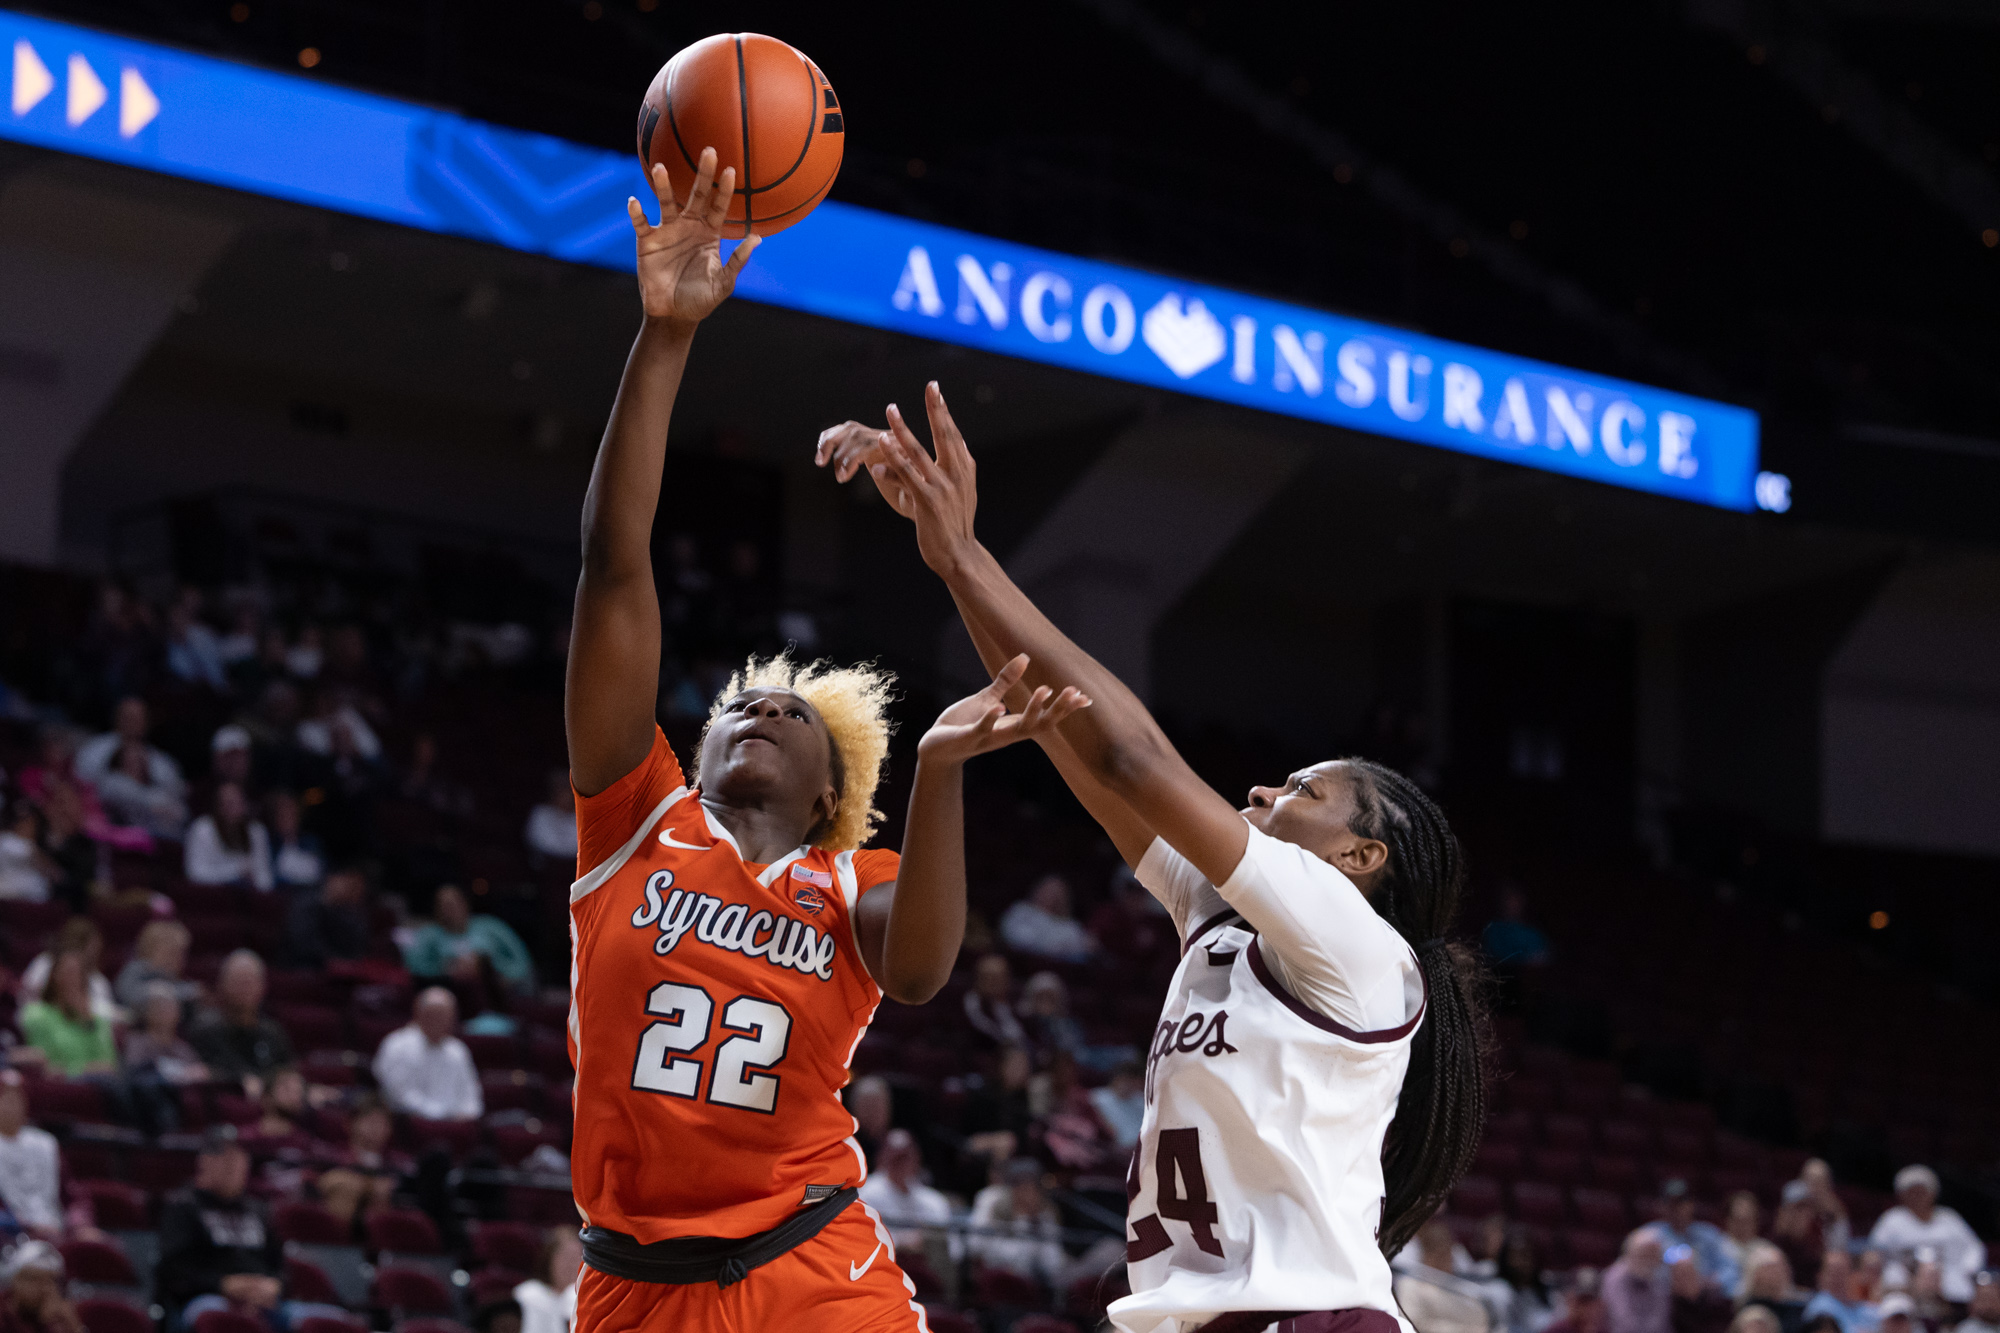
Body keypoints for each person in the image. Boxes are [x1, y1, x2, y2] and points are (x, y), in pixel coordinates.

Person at [819, 379, 1489, 1331]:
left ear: (1360, 856)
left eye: (1304, 790)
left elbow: (1134, 757)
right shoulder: (1222, 914)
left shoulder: (1358, 944)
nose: (1263, 791)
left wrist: (969, 557)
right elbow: (1078, 742)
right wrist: (948, 565)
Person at [560, 152, 1085, 1333]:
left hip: (813, 1268)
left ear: (831, 794)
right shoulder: (632, 818)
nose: (760, 708)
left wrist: (942, 770)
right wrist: (665, 336)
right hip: (631, 1286)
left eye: (792, 713)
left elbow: (917, 974)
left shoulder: (851, 878)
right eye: (741, 705)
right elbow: (615, 566)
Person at [157, 1126, 345, 1332]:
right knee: (215, 1315)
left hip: (264, 1301)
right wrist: (224, 1285)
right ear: (204, 1162)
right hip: (206, 1298)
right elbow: (174, 1269)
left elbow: (279, 1264)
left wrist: (273, 1286)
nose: (236, 1164)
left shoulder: (257, 1209)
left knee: (333, 1319)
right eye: (226, 1157)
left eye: (240, 1157)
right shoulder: (183, 1206)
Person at [1869, 1166, 1986, 1304]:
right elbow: (1874, 1252)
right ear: (1902, 1195)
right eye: (1912, 1192)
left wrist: (1967, 1269)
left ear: (1933, 1193)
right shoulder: (1892, 1219)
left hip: (1948, 1272)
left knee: (1965, 1290)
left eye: (1921, 1192)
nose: (1917, 1197)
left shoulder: (1949, 1218)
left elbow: (1974, 1247)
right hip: (1905, 1276)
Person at [186, 951, 295, 1092]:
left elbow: (287, 1073)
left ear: (263, 987)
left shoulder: (272, 1033)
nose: (244, 988)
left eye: (250, 981)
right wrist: (240, 1081)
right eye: (238, 981)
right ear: (221, 985)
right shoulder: (205, 1030)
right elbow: (204, 1072)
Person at [400, 884, 535, 993]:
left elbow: (521, 959)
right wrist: (444, 971)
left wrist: (498, 973)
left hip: (497, 989)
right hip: (449, 991)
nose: (449, 910)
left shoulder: (491, 926)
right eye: (444, 906)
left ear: (465, 903)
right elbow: (413, 968)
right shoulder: (429, 934)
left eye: (453, 904)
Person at [371, 988, 481, 1121]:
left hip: (455, 1123)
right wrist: (441, 1116)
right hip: (412, 1122)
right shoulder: (397, 1045)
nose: (441, 1021)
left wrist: (468, 1113)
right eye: (435, 1015)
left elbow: (470, 1093)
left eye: (447, 1016)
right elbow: (398, 1094)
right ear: (419, 1013)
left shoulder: (458, 1050)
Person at [966, 1159, 1065, 1292]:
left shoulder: (1046, 1213)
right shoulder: (995, 1205)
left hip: (1039, 1283)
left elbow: (1053, 1264)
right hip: (1000, 1280)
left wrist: (1034, 1223)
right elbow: (977, 1248)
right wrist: (1022, 1225)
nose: (1028, 1193)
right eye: (1021, 1185)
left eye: (1032, 1186)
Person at [857, 1129, 956, 1260]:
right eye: (896, 1159)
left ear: (917, 1159)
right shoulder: (866, 1192)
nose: (901, 1164)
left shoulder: (932, 1200)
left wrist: (924, 1242)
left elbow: (953, 1248)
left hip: (927, 1266)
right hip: (882, 1264)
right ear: (882, 1158)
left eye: (906, 1158)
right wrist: (902, 1242)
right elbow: (860, 1238)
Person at [313, 1095, 408, 1230]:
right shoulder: (333, 1156)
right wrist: (367, 1185)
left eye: (382, 1122)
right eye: (370, 1121)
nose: (375, 1127)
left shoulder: (399, 1163)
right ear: (351, 1123)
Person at [17, 952, 118, 1077]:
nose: (73, 980)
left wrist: (87, 1021)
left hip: (97, 1087)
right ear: (54, 976)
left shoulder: (93, 1019)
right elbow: (46, 1067)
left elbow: (108, 1065)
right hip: (60, 1088)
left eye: (79, 974)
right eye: (69, 972)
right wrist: (83, 1070)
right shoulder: (37, 1014)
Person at [1395, 1219, 1494, 1333]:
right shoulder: (1410, 1285)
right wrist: (1464, 1330)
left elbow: (1479, 1316)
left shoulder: (1458, 1287)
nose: (1448, 1262)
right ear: (1428, 1255)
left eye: (1449, 1256)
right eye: (1441, 1256)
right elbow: (1415, 1323)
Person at [75, 696, 184, 800]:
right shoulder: (95, 749)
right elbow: (82, 780)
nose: (132, 722)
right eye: (128, 716)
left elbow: (174, 789)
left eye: (138, 718)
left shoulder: (161, 762)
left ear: (147, 722)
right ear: (117, 718)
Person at [16, 920, 117, 1024]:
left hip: (80, 1028)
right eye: (90, 946)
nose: (95, 952)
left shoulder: (98, 981)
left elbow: (106, 1016)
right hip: (43, 1023)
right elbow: (24, 999)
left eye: (97, 946)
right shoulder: (44, 963)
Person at [0, 1073, 62, 1239]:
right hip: (10, 1235)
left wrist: (81, 1225)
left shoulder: (45, 1143)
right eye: (5, 1099)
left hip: (56, 1228)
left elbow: (71, 1195)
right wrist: (25, 1226)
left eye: (17, 1099)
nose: (11, 1106)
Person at [94, 731, 190, 839]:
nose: (136, 764)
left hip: (169, 838)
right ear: (120, 762)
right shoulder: (113, 782)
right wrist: (161, 806)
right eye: (131, 759)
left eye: (139, 760)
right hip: (131, 840)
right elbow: (137, 799)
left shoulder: (153, 787)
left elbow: (182, 813)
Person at [1654, 1179, 1741, 1293]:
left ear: (1691, 1204)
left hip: (1705, 1297)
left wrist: (1711, 1282)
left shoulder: (1709, 1235)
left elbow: (1731, 1268)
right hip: (1665, 1298)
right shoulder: (1650, 1237)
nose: (1676, 1209)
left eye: (1681, 1202)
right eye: (1671, 1203)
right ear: (1662, 1206)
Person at [183, 783, 274, 891]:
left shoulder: (257, 831)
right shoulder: (202, 828)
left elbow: (266, 878)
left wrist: (255, 881)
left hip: (246, 897)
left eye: (237, 803)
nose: (232, 809)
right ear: (217, 806)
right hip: (210, 895)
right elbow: (195, 873)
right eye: (227, 804)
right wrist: (237, 871)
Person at [284, 865, 370, 968]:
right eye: (348, 882)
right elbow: (303, 945)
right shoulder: (306, 904)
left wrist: (352, 909)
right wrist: (334, 960)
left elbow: (357, 947)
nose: (352, 888)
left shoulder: (351, 911)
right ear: (331, 879)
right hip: (303, 966)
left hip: (340, 967)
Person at [999, 873, 1099, 961]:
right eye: (1049, 890)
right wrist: (1060, 947)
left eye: (1058, 892)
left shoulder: (1070, 925)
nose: (1053, 896)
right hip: (1025, 964)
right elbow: (1020, 940)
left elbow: (1084, 947)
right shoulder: (1020, 911)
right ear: (1038, 890)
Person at [115, 919, 200, 1017]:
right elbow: (131, 997)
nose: (179, 959)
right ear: (150, 950)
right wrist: (167, 992)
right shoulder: (135, 971)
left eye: (183, 953)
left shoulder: (173, 979)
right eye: (172, 952)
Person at [0, 1240, 81, 1333]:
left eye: (51, 1281)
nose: (45, 1289)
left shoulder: (58, 1314)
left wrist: (70, 1323)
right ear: (15, 1280)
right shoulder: (3, 1313)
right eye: (36, 1279)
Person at [514, 1228, 583, 1333]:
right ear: (549, 1260)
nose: (571, 1265)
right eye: (565, 1258)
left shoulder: (585, 1298)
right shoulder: (530, 1294)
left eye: (576, 1258)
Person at [1722, 1192, 1787, 1301]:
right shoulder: (1716, 1247)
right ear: (1728, 1220)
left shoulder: (1769, 1250)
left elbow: (1785, 1289)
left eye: (1747, 1219)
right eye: (1738, 1219)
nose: (1742, 1225)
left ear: (1756, 1220)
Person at [1604, 1230, 1673, 1333]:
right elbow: (1624, 1319)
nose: (1651, 1261)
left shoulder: (1658, 1278)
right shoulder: (1615, 1278)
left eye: (1654, 1255)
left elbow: (1661, 1316)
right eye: (1645, 1255)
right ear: (1631, 1253)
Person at [1802, 1251, 1879, 1333]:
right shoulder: (1820, 1308)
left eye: (1842, 1272)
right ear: (1821, 1276)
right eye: (1833, 1273)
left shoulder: (1861, 1308)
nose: (1838, 1278)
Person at [962, 953, 1027, 1050]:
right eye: (986, 977)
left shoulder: (1016, 1005)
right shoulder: (973, 1002)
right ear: (977, 978)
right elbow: (984, 1029)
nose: (992, 982)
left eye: (998, 977)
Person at [266, 792, 324, 891]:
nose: (288, 820)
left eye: (291, 815)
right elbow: (268, 879)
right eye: (283, 816)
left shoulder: (311, 843)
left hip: (312, 893)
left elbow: (321, 873)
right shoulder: (270, 847)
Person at [1089, 1060, 1146, 1151]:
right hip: (1117, 1149)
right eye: (1127, 1079)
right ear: (1116, 1078)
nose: (1130, 1084)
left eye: (1134, 1081)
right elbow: (1101, 1129)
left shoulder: (1141, 1100)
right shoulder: (1096, 1098)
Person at [524, 769, 578, 862]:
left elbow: (577, 848)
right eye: (560, 790)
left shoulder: (581, 818)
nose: (564, 796)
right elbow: (539, 843)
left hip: (574, 868)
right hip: (546, 866)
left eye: (567, 790)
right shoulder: (540, 814)